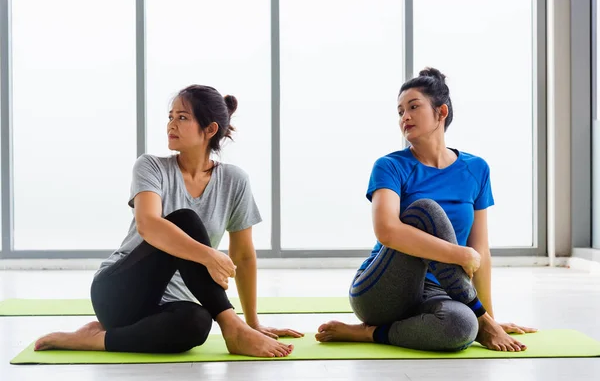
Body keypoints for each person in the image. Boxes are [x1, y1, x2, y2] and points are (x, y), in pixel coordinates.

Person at [34, 85, 303, 358]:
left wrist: (254, 323)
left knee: (198, 323)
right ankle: (231, 327)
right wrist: (209, 255)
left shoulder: (235, 180)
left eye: (182, 117)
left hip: (168, 304)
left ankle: (93, 339)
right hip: (119, 292)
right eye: (170, 116)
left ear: (209, 130)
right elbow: (148, 224)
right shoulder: (151, 166)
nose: (171, 125)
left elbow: (243, 256)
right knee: (185, 220)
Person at [315, 68, 536, 352]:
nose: (404, 117)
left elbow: (480, 249)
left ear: (441, 112)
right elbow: (387, 230)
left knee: (462, 327)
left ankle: (370, 334)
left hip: (439, 292)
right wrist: (458, 254)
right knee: (425, 212)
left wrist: (488, 319)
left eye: (413, 107)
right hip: (382, 291)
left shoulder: (476, 169)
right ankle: (475, 317)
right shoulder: (390, 165)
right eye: (399, 111)